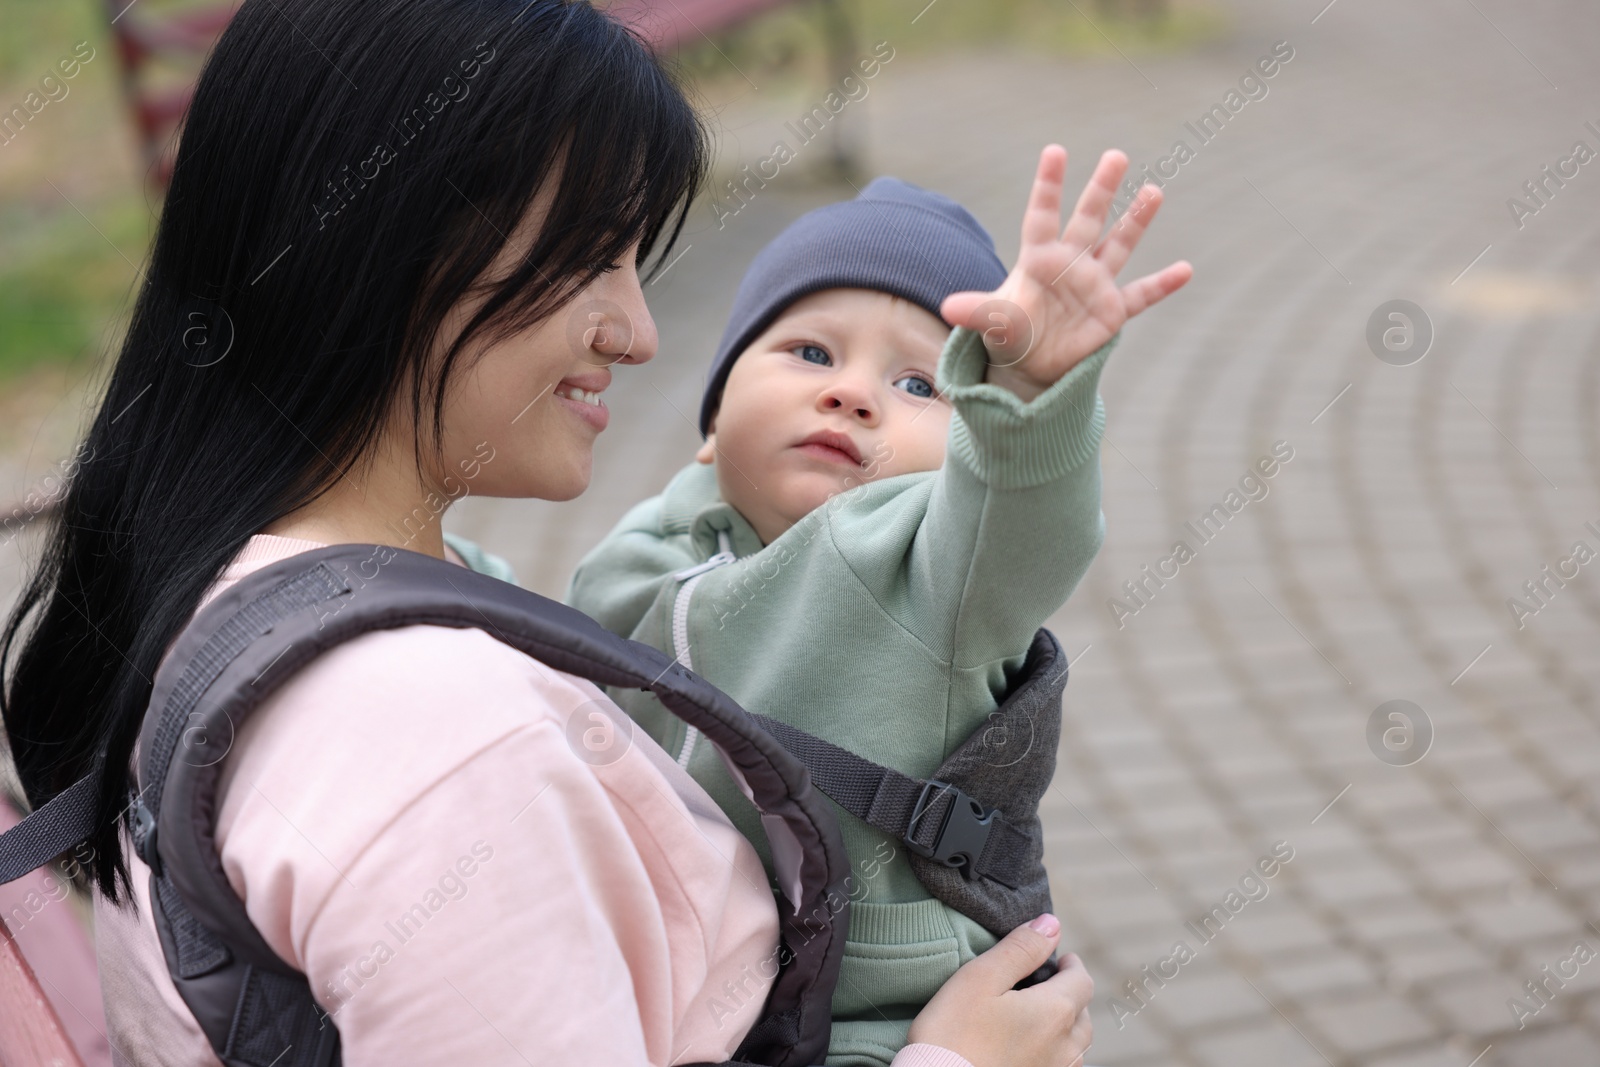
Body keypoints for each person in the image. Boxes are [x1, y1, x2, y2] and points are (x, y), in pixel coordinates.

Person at [0, 1, 1096, 1064]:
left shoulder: (221, 576)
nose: (637, 332)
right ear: (398, 242)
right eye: (591, 257)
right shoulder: (453, 759)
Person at [567, 154, 1189, 1065]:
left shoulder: (936, 576)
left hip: (876, 1018)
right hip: (668, 999)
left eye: (917, 386)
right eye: (811, 352)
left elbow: (1023, 526)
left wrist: (1026, 398)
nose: (852, 392)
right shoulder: (641, 556)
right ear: (712, 420)